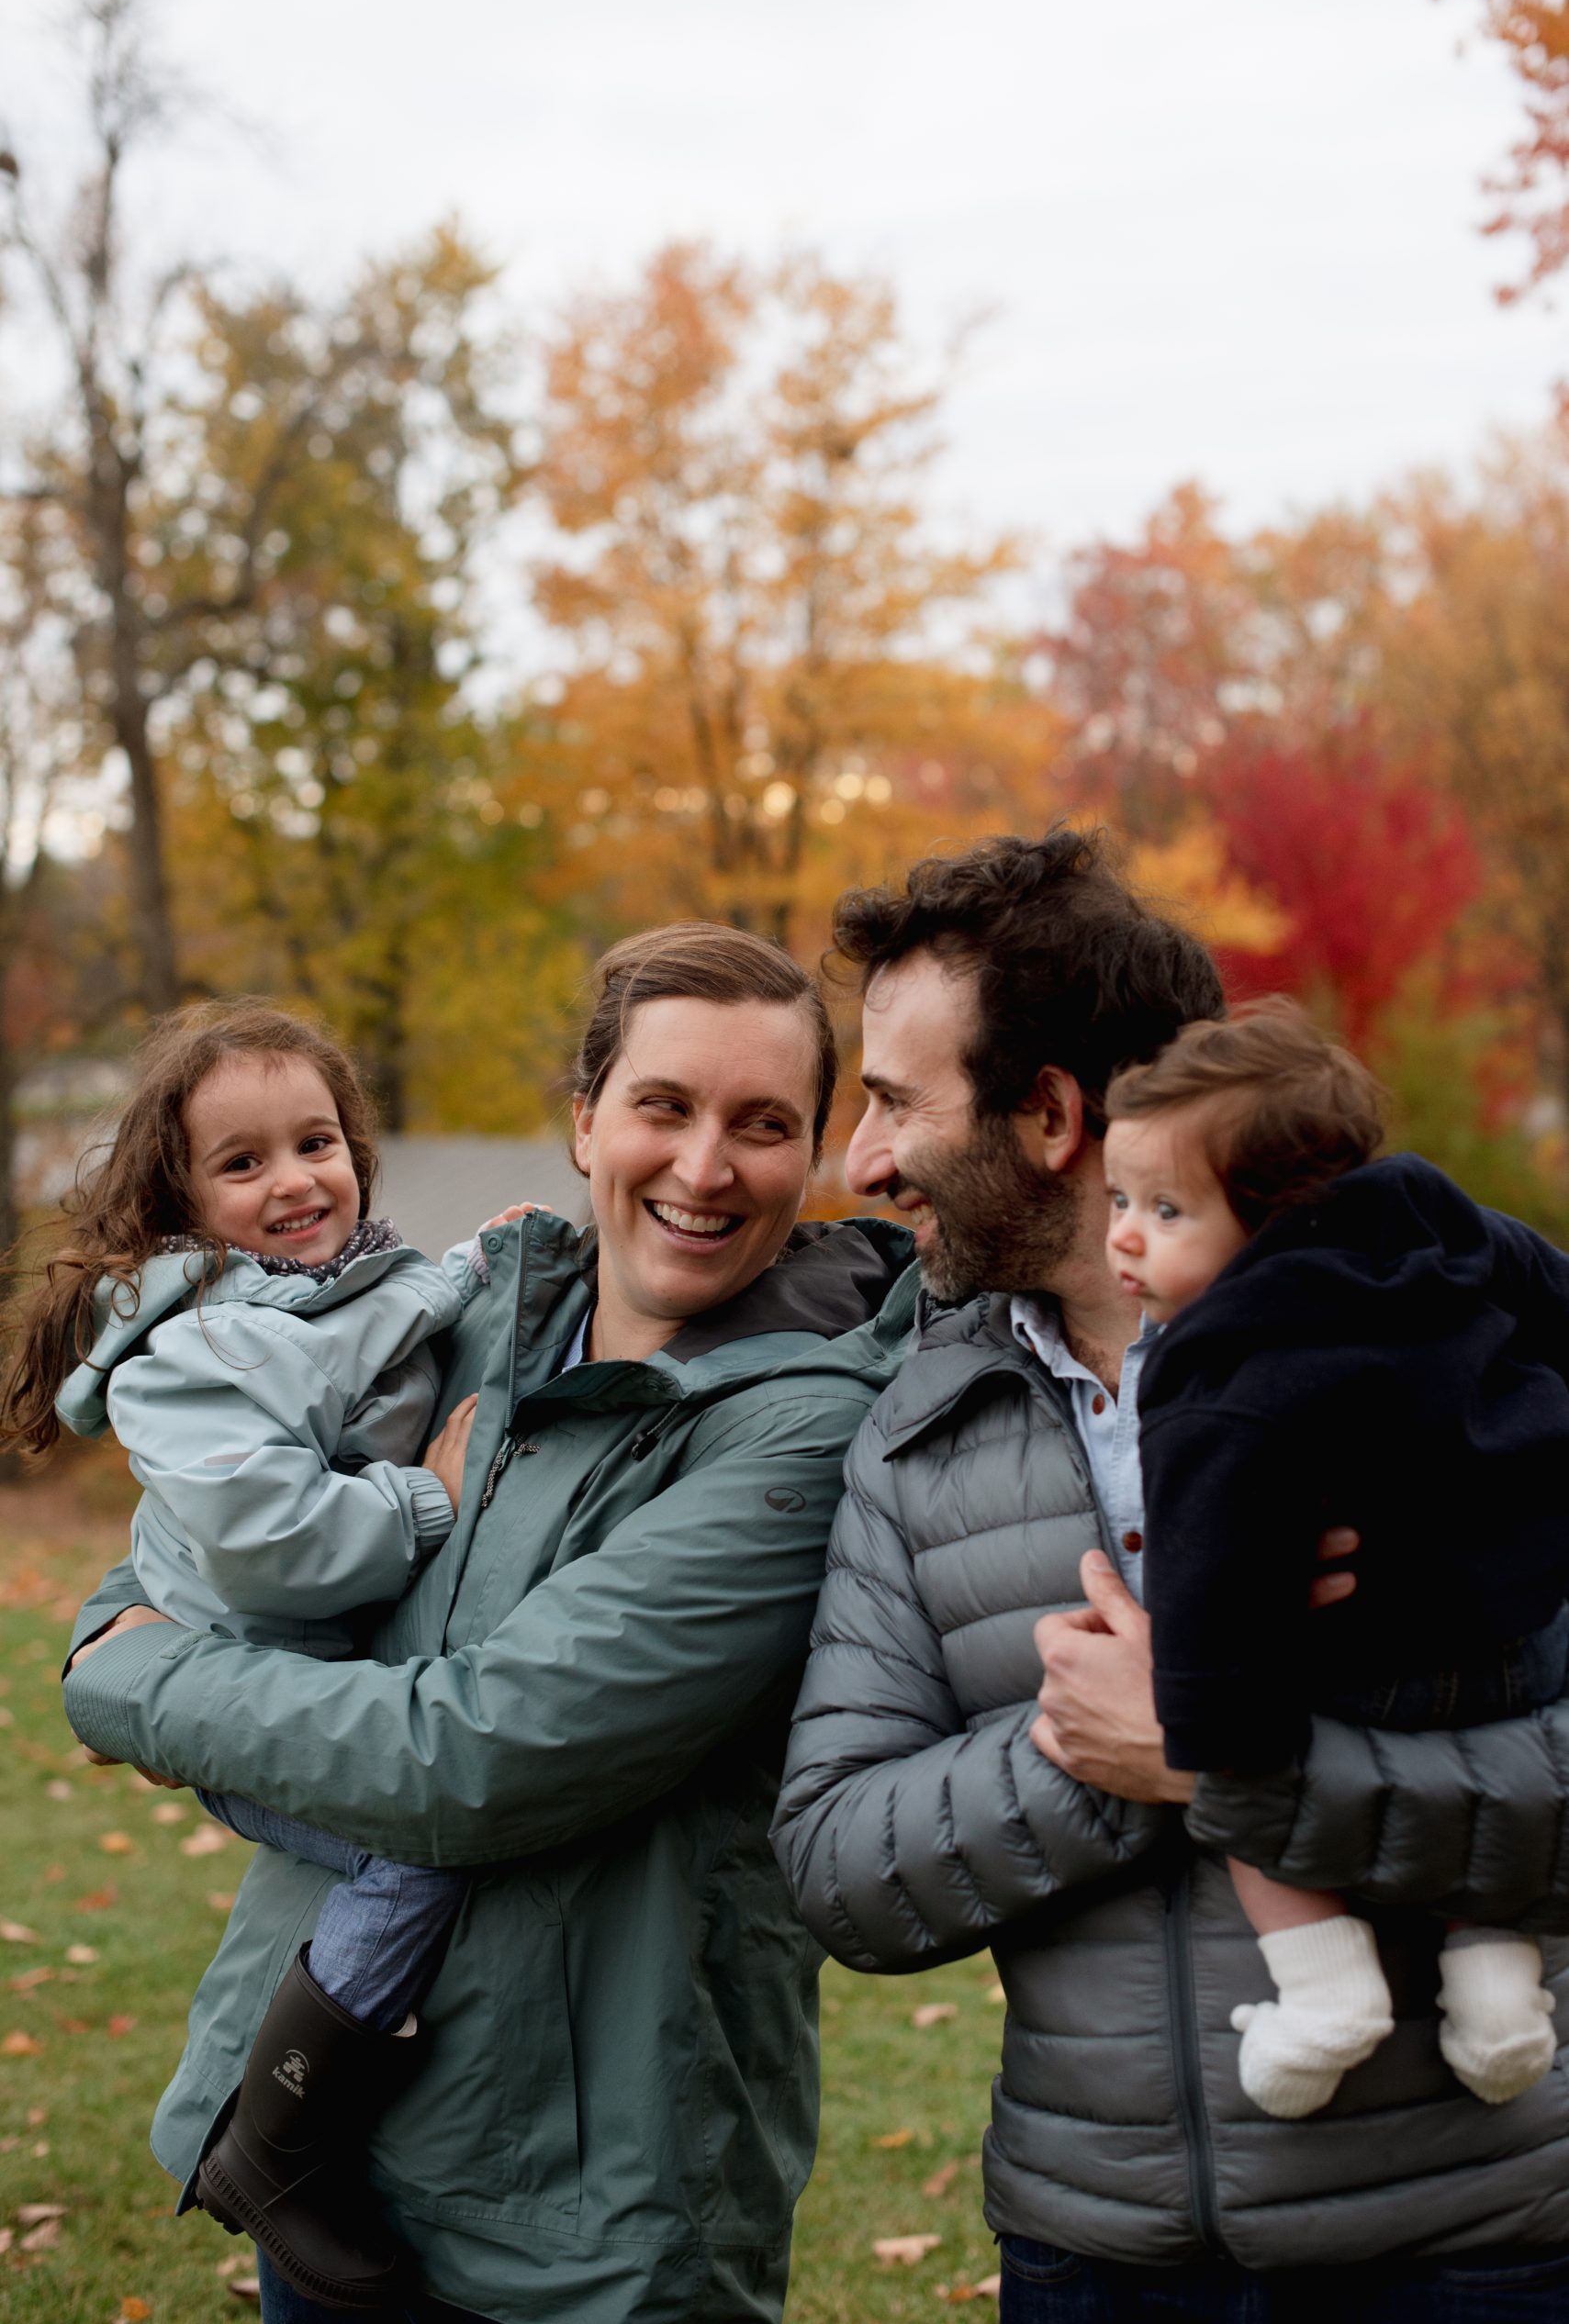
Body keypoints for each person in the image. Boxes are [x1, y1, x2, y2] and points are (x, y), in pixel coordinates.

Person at [62, 922, 920, 2324]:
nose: (705, 1167)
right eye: (662, 1106)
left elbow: (474, 1756)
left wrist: (131, 1681)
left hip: (579, 2211)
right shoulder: (461, 1327)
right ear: (584, 1122)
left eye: (762, 1124)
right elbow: (199, 1544)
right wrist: (135, 1627)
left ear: (810, 1153)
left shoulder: (803, 1433)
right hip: (329, 2134)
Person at [772, 828, 1569, 2322]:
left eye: (893, 1103)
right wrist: (1090, 1753)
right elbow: (836, 1867)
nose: (859, 1162)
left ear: (1048, 1114)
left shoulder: (1458, 1364)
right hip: (1097, 2260)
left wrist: (1205, 1753)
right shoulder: (919, 1432)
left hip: (1466, 2250)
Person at [1, 1001, 496, 2307]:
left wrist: (486, 1260)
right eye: (243, 1162)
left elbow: (392, 1320)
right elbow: (272, 1540)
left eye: (315, 1143)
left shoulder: (320, 1293)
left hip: (307, 1684)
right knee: (413, 1846)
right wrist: (426, 1502)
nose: (293, 1181)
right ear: (184, 1201)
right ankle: (276, 2139)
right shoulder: (200, 1344)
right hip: (237, 1696)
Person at [1103, 1000, 1567, 2120]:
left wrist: (1198, 1730)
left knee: (1246, 1778)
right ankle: (1497, 1987)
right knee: (1471, 1776)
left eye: (1164, 1209)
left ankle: (1321, 1985)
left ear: (1273, 1220)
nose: (1122, 1234)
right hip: (1514, 1647)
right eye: (1118, 1200)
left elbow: (1205, 1578)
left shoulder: (1221, 1376)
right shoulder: (1441, 1235)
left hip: (1358, 1666)